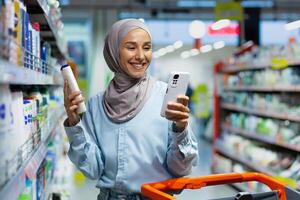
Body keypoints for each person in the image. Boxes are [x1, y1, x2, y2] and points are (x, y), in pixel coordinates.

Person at [63, 19, 198, 200]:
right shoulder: (96, 106)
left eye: (147, 47)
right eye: (131, 47)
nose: (141, 56)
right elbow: (93, 169)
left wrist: (180, 129)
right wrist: (74, 123)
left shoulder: (165, 98)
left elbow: (180, 168)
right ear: (113, 51)